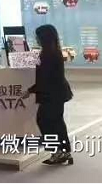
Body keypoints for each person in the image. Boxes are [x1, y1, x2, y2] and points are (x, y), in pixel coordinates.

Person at [22, 24, 74, 166]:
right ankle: (65, 152)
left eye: (38, 37)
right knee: (57, 122)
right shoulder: (54, 52)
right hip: (58, 93)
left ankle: (56, 152)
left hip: (51, 94)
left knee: (44, 122)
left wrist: (29, 91)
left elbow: (44, 79)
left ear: (44, 38)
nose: (36, 39)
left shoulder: (47, 55)